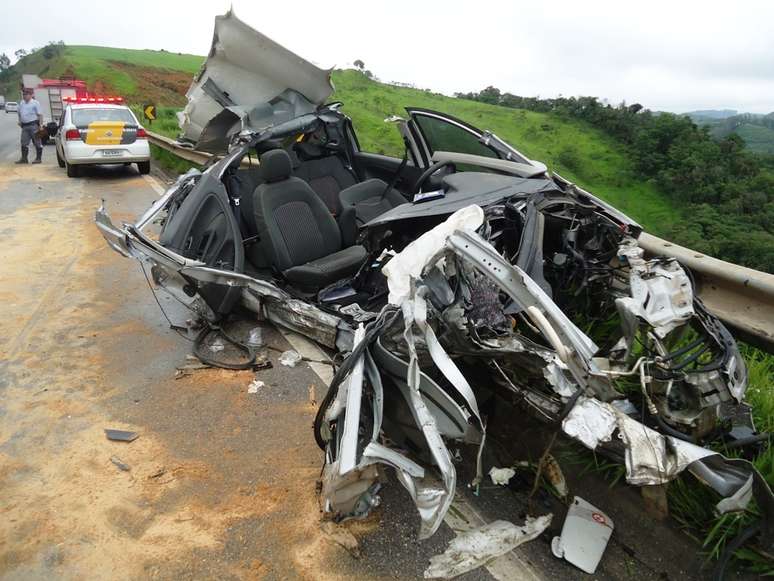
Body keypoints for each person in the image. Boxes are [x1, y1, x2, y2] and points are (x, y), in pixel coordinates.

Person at [16, 87, 43, 164]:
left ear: (31, 95)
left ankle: (38, 158)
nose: (24, 96)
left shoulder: (35, 103)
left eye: (26, 94)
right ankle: (24, 159)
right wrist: (20, 121)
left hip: (33, 125)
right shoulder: (21, 103)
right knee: (23, 142)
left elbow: (40, 115)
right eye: (24, 94)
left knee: (37, 141)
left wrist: (41, 125)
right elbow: (19, 113)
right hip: (24, 126)